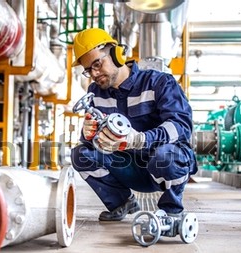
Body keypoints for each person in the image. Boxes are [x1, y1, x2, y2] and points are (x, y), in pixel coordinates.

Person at [70, 27, 198, 221]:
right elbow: (93, 143)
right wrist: (87, 133)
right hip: (129, 167)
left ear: (116, 53)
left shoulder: (159, 83)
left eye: (97, 63)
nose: (94, 73)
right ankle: (121, 202)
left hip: (163, 165)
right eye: (88, 70)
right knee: (81, 155)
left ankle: (171, 210)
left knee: (168, 155)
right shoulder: (96, 92)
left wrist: (141, 139)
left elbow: (181, 126)